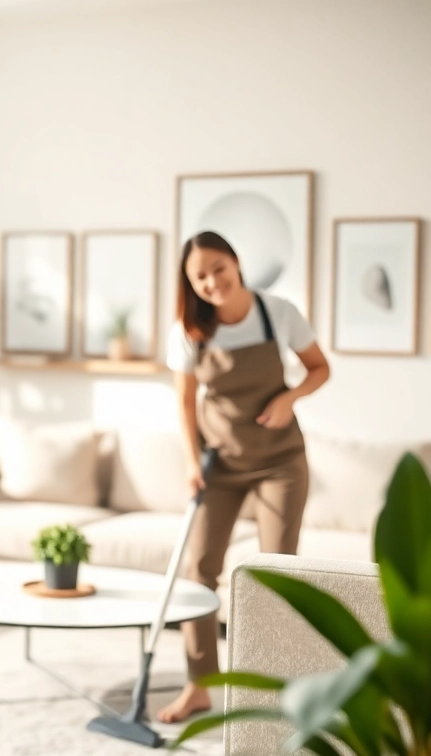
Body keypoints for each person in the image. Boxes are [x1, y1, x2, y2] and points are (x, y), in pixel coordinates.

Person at [156, 230, 330, 724]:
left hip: (281, 462)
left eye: (218, 268)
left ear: (235, 262)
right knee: (201, 573)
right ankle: (200, 686)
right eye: (200, 276)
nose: (212, 281)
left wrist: (288, 397)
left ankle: (271, 691)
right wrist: (192, 463)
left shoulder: (278, 313)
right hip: (220, 465)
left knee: (275, 573)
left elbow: (319, 369)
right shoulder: (190, 330)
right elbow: (184, 404)